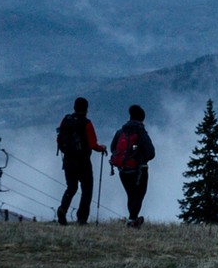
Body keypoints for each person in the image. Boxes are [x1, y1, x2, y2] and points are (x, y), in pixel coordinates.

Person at [56, 97, 107, 225]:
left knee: (71, 187)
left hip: (68, 160)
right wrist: (102, 148)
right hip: (83, 162)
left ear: (74, 107)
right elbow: (93, 144)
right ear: (86, 109)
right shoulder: (86, 123)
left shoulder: (66, 120)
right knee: (87, 189)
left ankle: (63, 209)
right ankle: (82, 218)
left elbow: (59, 139)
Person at [111, 104, 155, 228]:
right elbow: (151, 153)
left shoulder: (121, 131)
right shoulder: (141, 132)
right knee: (139, 194)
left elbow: (113, 148)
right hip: (139, 170)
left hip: (123, 170)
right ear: (142, 119)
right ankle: (132, 220)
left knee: (131, 195)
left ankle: (133, 219)